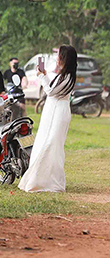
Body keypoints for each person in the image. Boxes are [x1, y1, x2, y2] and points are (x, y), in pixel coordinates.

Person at [19, 46, 78, 193]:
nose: (56, 58)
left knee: (52, 143)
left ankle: (47, 180)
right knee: (45, 140)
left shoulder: (68, 76)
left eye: (59, 56)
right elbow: (53, 87)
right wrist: (45, 75)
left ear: (64, 58)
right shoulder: (62, 75)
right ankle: (41, 177)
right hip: (52, 110)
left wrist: (40, 76)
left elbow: (51, 91)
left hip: (57, 112)